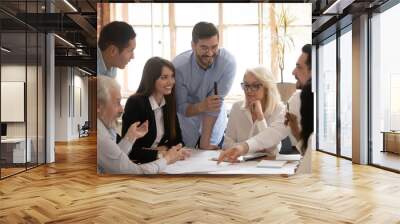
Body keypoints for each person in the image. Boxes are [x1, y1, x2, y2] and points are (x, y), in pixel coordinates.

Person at [97, 75, 187, 174]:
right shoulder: (100, 136)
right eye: (117, 103)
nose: (121, 110)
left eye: (172, 77)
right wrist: (167, 159)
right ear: (98, 106)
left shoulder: (103, 126)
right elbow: (135, 171)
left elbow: (116, 161)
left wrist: (131, 137)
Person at [173, 22, 237, 149]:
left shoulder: (228, 63)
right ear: (193, 45)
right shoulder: (178, 67)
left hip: (213, 125)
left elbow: (214, 105)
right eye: (204, 48)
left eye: (214, 47)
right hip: (187, 124)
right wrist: (202, 106)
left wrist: (205, 142)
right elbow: (180, 106)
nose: (210, 53)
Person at [122, 57, 190, 163]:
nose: (171, 82)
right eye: (164, 77)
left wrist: (166, 149)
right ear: (151, 79)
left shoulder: (168, 103)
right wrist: (159, 153)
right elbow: (130, 149)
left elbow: (178, 141)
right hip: (139, 165)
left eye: (172, 76)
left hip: (161, 163)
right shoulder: (135, 103)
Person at [220, 66, 287, 160]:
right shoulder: (237, 107)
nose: (249, 91)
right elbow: (227, 145)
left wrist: (260, 117)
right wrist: (255, 148)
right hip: (238, 165)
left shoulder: (279, 110)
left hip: (266, 166)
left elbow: (272, 150)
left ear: (267, 88)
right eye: (246, 85)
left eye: (256, 86)